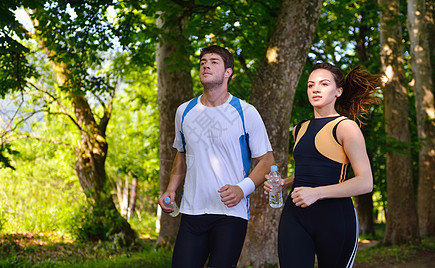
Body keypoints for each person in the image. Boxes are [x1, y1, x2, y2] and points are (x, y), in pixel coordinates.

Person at [158, 45, 274, 268]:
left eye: (213, 62)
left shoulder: (245, 111)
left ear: (228, 72)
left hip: (231, 214)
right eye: (203, 62)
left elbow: (267, 161)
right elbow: (182, 155)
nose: (206, 65)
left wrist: (243, 189)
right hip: (192, 212)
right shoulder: (184, 111)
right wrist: (172, 189)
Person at [264, 62, 381, 268]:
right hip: (296, 216)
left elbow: (365, 182)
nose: (315, 89)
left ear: (338, 91)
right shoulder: (298, 129)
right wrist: (285, 183)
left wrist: (316, 193)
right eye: (310, 85)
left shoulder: (346, 127)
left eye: (324, 84)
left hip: (335, 218)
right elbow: (310, 172)